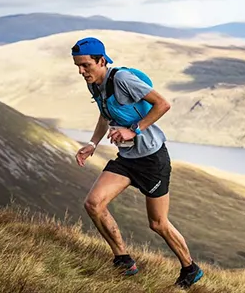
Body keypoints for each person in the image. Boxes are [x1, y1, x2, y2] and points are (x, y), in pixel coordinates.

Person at [71, 36, 203, 288]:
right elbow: (104, 114)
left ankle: (190, 269)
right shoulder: (94, 85)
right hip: (127, 158)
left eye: (86, 65)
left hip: (152, 159)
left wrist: (135, 129)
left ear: (101, 60)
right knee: (93, 204)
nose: (81, 71)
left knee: (158, 223)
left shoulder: (121, 79)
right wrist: (93, 143)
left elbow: (163, 104)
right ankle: (123, 260)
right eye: (77, 65)